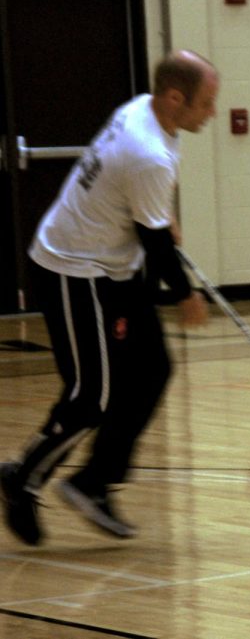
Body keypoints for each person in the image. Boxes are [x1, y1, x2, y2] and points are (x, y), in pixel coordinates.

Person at [1, 50, 217, 546]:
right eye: (206, 103)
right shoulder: (148, 154)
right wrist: (186, 295)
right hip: (73, 270)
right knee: (90, 397)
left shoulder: (144, 110)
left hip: (115, 267)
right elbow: (157, 244)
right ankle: (22, 477)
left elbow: (146, 218)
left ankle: (93, 482)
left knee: (151, 368)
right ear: (174, 97)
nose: (212, 112)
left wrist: (159, 216)